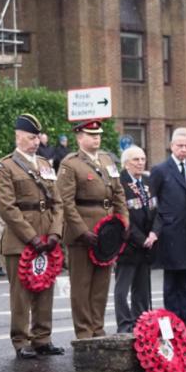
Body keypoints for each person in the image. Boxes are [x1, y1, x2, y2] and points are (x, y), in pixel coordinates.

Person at [0, 114, 64, 358]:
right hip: (20, 240)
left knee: (45, 289)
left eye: (37, 137)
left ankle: (42, 338)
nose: (36, 142)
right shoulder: (6, 166)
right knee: (21, 294)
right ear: (18, 136)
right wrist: (31, 237)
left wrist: (55, 232)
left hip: (47, 237)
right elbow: (7, 207)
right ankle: (21, 341)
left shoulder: (45, 164)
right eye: (31, 137)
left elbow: (57, 203)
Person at [57, 119, 129, 339]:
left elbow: (118, 193)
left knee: (101, 285)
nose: (96, 137)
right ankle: (84, 332)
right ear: (80, 138)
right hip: (83, 234)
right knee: (81, 285)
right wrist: (80, 230)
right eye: (91, 134)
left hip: (107, 232)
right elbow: (65, 202)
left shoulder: (107, 160)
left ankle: (97, 328)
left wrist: (124, 220)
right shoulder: (70, 164)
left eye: (98, 134)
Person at [150, 127, 186, 332]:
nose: (183, 149)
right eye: (180, 145)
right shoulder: (160, 170)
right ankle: (173, 321)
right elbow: (153, 202)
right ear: (172, 145)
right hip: (171, 232)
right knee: (172, 280)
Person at [115, 145, 159, 333]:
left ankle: (141, 322)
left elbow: (158, 210)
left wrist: (155, 233)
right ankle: (125, 325)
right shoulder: (120, 183)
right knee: (122, 289)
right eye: (136, 160)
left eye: (142, 159)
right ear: (126, 163)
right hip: (129, 244)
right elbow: (123, 215)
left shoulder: (148, 182)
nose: (140, 163)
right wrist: (141, 239)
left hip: (147, 244)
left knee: (142, 289)